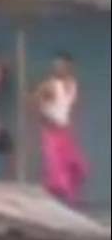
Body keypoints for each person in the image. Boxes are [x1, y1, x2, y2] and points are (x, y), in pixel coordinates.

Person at [32, 52, 88, 206]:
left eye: (61, 65)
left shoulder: (73, 84)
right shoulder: (50, 85)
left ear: (69, 67)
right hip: (51, 132)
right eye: (55, 66)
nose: (57, 68)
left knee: (79, 168)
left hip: (65, 133)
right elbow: (34, 101)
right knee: (56, 172)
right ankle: (51, 201)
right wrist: (44, 115)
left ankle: (68, 198)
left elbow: (67, 107)